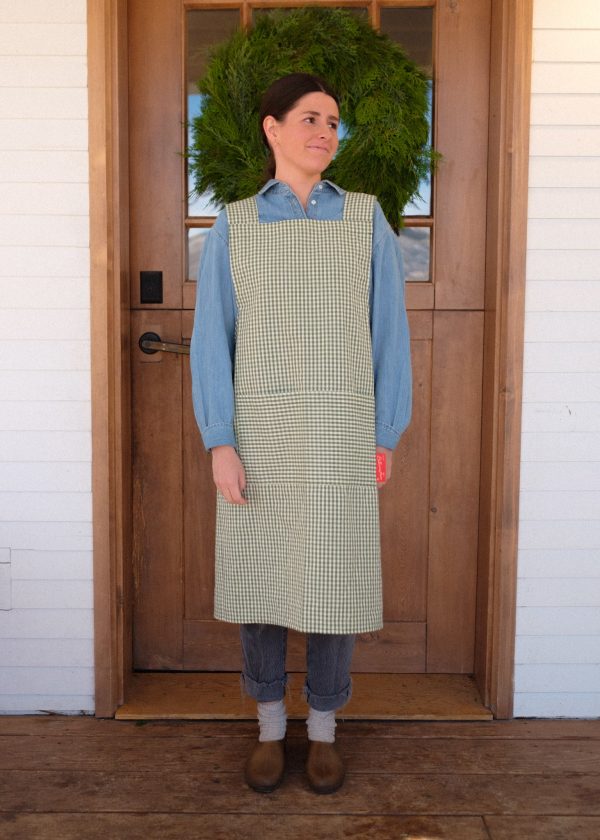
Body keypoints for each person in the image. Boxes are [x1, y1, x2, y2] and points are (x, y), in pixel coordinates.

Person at [190, 72, 412, 794]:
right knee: (260, 583)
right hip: (259, 432)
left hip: (342, 429)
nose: (325, 132)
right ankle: (267, 728)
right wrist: (220, 440)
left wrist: (385, 431)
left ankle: (322, 731)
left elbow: (390, 333)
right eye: (311, 118)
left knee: (333, 585)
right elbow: (211, 340)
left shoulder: (365, 219)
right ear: (273, 128)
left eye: (333, 122)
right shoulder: (235, 224)